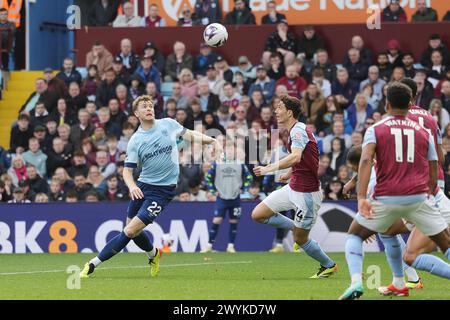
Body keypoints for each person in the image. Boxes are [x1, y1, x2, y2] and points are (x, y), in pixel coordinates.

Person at [80, 95, 219, 279]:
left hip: (163, 191)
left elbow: (191, 135)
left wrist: (212, 140)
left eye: (150, 105)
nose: (149, 108)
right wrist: (131, 187)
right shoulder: (136, 141)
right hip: (143, 186)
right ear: (136, 113)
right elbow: (127, 172)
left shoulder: (168, 124)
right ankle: (154, 254)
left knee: (129, 231)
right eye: (144, 107)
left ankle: (92, 264)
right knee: (132, 229)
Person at [339, 82, 450, 300]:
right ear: (410, 104)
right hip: (420, 197)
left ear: (387, 104)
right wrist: (429, 192)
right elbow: (435, 164)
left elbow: (365, 160)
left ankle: (356, 282)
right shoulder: (423, 130)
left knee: (354, 235)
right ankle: (400, 282)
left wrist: (361, 197)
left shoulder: (376, 129)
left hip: (387, 198)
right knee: (444, 243)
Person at [252, 95, 338, 278]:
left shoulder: (297, 131)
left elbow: (297, 156)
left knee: (300, 239)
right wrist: (291, 173)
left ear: (289, 112)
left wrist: (269, 168)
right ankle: (294, 226)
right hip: (293, 187)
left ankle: (328, 265)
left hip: (307, 193)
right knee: (258, 214)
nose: (276, 111)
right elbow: (309, 158)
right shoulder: (297, 130)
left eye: (279, 107)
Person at [203, 143, 253, 253]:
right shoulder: (217, 163)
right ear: (224, 150)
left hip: (235, 198)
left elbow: (249, 177)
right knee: (217, 220)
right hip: (222, 198)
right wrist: (213, 191)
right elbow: (208, 178)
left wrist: (243, 189)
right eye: (228, 149)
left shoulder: (240, 164)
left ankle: (230, 246)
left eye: (232, 149)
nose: (230, 151)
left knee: (233, 221)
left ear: (235, 151)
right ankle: (209, 245)